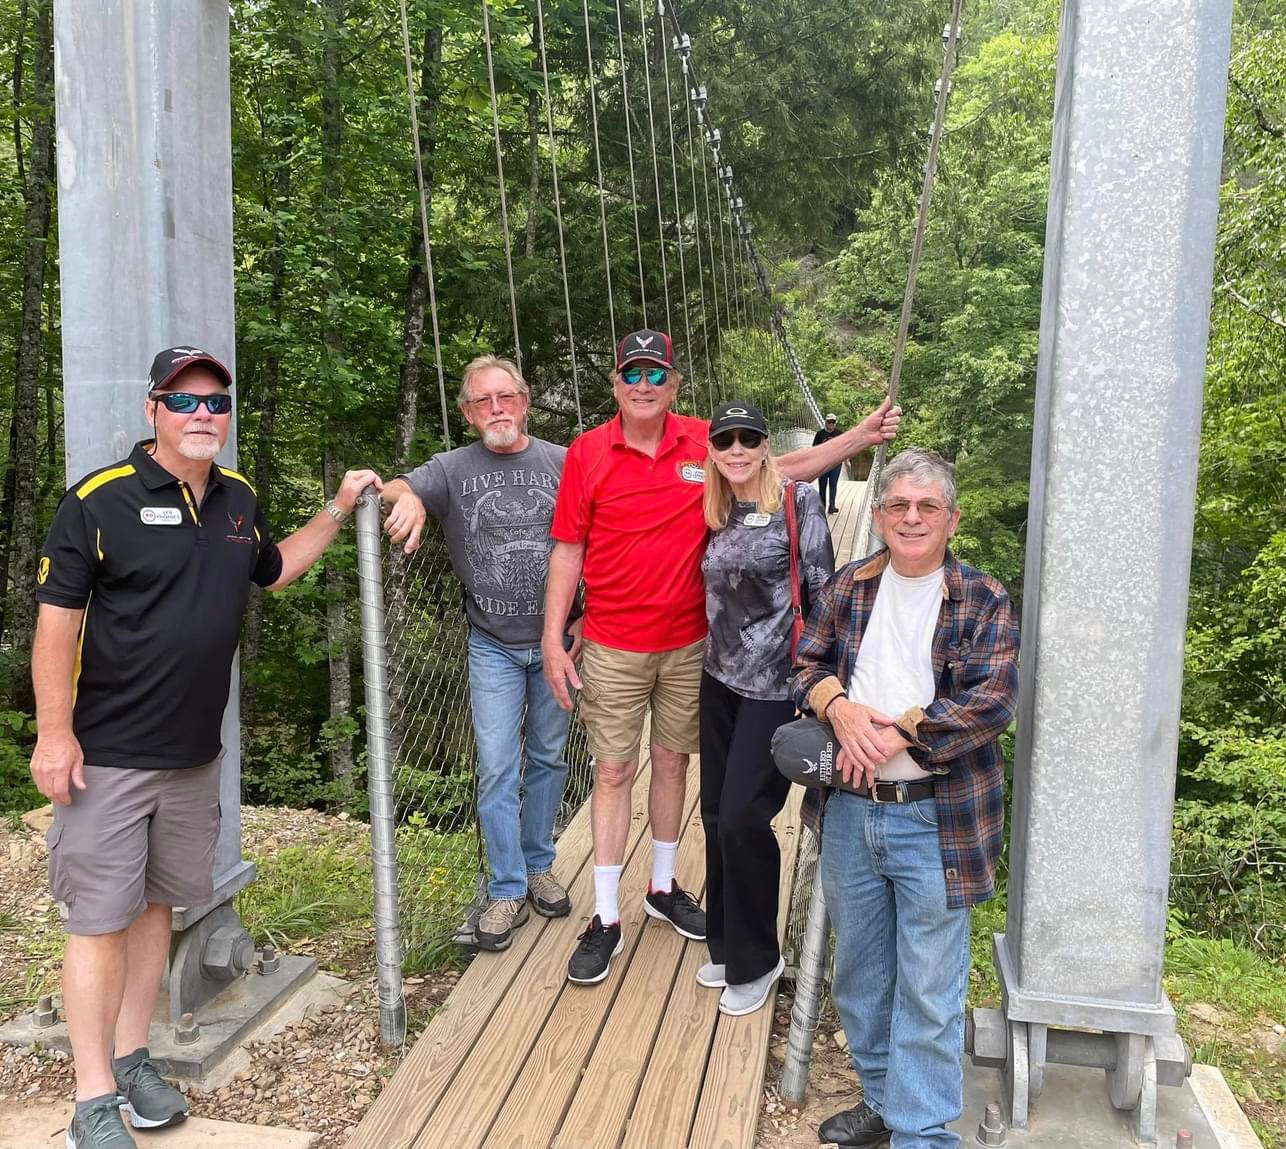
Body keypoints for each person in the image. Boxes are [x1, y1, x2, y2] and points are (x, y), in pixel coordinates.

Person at [31, 347, 380, 1149]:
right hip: (107, 755)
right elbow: (57, 623)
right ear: (152, 410)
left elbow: (273, 570)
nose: (202, 415)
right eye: (183, 401)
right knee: (99, 920)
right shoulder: (98, 500)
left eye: (215, 403)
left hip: (193, 756)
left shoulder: (237, 499)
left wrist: (337, 505)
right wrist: (54, 733)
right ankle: (91, 1099)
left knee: (159, 906)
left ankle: (132, 1059)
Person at [542, 327, 899, 986]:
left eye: (656, 374)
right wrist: (552, 634)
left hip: (693, 646)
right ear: (616, 384)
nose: (644, 385)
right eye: (632, 373)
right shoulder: (587, 452)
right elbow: (568, 545)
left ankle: (663, 886)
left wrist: (857, 438)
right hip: (614, 642)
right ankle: (606, 917)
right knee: (615, 771)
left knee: (674, 765)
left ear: (673, 384)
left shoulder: (702, 441)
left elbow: (774, 469)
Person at [789, 448, 1019, 1149]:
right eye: (897, 505)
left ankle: (923, 1134)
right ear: (882, 515)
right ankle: (885, 1102)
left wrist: (898, 729)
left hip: (936, 815)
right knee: (860, 978)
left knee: (928, 986)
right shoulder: (849, 585)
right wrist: (838, 708)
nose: (911, 517)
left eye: (927, 506)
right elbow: (805, 664)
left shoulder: (982, 596)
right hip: (851, 809)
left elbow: (992, 700)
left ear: (952, 519)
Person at [380, 355, 581, 952]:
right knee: (496, 767)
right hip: (492, 644)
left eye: (506, 397)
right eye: (482, 401)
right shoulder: (450, 469)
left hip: (559, 641)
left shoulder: (565, 462)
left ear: (525, 401)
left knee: (548, 757)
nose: (497, 409)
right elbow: (394, 486)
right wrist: (409, 498)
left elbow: (602, 538)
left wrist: (587, 621)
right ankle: (506, 887)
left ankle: (539, 864)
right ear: (468, 414)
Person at [698, 401, 833, 1015]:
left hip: (775, 687)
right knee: (713, 814)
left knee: (742, 818)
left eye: (748, 439)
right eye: (725, 440)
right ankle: (727, 943)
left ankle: (758, 960)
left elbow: (825, 595)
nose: (737, 450)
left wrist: (819, 684)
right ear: (712, 449)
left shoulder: (797, 503)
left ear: (765, 446)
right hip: (717, 678)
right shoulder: (713, 507)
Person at [813, 413, 843, 514]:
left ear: (835, 423)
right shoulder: (819, 434)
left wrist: (846, 460)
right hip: (823, 463)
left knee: (833, 484)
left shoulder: (839, 434)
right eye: (829, 421)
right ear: (825, 422)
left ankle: (832, 506)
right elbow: (814, 449)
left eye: (833, 422)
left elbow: (844, 447)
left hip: (836, 463)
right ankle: (822, 506)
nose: (831, 424)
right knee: (822, 485)